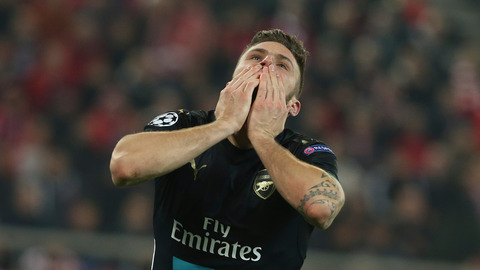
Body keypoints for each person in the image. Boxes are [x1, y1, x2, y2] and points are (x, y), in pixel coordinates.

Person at [110, 29, 345, 270]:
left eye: (282, 66)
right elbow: (123, 167)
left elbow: (322, 209)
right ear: (232, 80)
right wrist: (224, 125)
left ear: (292, 106)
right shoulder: (185, 125)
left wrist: (262, 136)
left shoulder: (307, 153)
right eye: (256, 57)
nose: (266, 64)